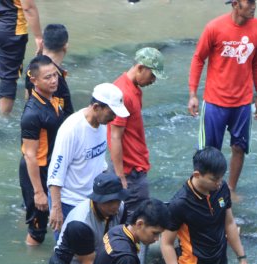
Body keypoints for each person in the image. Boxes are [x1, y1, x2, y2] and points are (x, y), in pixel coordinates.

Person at [188, 0, 257, 195]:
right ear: (235, 4)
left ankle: (230, 189)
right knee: (209, 152)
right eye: (249, 2)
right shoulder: (214, 27)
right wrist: (193, 94)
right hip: (215, 102)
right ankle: (203, 192)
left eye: (254, 1)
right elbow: (198, 59)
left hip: (242, 103)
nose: (254, 6)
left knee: (239, 148)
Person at [47, 83, 129, 233]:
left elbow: (99, 162)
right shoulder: (71, 129)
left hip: (93, 201)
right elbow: (55, 172)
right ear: (97, 107)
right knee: (68, 252)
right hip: (68, 202)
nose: (114, 118)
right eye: (111, 113)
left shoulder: (102, 124)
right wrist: (56, 208)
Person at [108, 47, 166, 217]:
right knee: (139, 221)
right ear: (140, 68)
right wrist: (121, 177)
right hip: (129, 170)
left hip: (133, 166)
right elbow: (115, 136)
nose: (153, 80)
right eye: (152, 75)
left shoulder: (130, 87)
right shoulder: (123, 94)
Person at [19, 55, 69, 246]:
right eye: (47, 77)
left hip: (52, 165)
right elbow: (30, 155)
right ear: (34, 80)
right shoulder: (32, 114)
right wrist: (38, 192)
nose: (54, 80)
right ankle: (29, 257)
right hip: (37, 171)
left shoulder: (53, 97)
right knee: (38, 229)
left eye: (55, 75)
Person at [24, 24, 73, 114]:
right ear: (65, 47)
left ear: (42, 43)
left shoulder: (31, 67)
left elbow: (28, 97)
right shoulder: (56, 78)